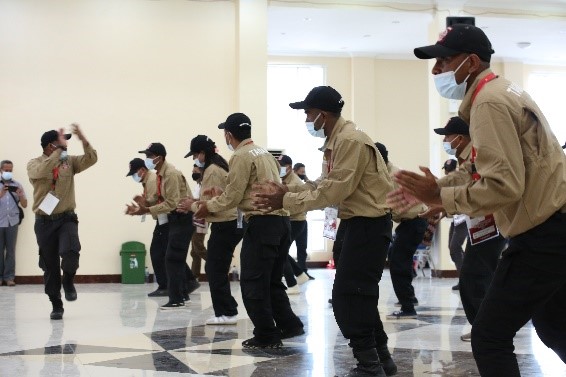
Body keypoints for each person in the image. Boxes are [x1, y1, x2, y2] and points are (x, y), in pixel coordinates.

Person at [388, 24, 566, 376]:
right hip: (554, 228)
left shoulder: (490, 102)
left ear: (470, 62)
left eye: (443, 61)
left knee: (489, 335)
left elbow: (503, 186)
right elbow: (481, 171)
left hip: (544, 234)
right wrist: (439, 189)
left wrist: (440, 196)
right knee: (555, 325)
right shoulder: (502, 92)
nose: (436, 70)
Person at [253, 86, 397, 377]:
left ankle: (370, 366)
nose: (306, 119)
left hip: (368, 226)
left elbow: (332, 192)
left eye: (307, 113)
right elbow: (322, 184)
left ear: (322, 114)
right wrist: (288, 190)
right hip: (355, 224)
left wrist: (285, 199)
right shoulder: (337, 141)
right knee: (359, 296)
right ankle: (380, 360)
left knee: (349, 297)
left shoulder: (350, 140)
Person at [192, 113, 303, 348]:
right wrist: (221, 198)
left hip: (263, 224)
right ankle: (290, 324)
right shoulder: (263, 152)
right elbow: (245, 192)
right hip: (282, 223)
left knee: (253, 283)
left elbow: (233, 197)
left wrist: (206, 206)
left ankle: (266, 335)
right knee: (272, 281)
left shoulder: (240, 156)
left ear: (229, 135)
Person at [434, 117, 507, 341]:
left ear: (460, 138)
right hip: (482, 225)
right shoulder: (469, 158)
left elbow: (478, 189)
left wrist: (435, 194)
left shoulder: (479, 153)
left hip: (492, 224)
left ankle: (486, 331)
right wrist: (436, 197)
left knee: (472, 278)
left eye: (447, 136)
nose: (445, 141)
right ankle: (489, 327)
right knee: (482, 278)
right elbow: (461, 180)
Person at [27, 125, 97, 320]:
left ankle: (68, 281)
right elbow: (42, 171)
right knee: (49, 265)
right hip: (44, 222)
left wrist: (83, 139)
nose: (65, 146)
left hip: (66, 218)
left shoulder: (69, 163)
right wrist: (59, 152)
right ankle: (56, 304)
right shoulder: (34, 164)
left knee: (71, 251)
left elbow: (91, 159)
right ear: (50, 146)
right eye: (60, 142)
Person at [126, 143, 199, 309]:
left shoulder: (170, 174)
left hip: (182, 217)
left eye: (150, 156)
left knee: (172, 258)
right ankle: (182, 295)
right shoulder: (161, 174)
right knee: (173, 258)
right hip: (175, 219)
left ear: (159, 157)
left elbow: (172, 203)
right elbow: (160, 199)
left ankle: (177, 298)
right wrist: (142, 206)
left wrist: (146, 209)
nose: (148, 160)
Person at [180, 135, 243, 325]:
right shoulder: (217, 167)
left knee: (214, 268)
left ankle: (226, 312)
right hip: (228, 222)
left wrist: (191, 206)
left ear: (203, 153)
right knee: (216, 267)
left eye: (196, 154)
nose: (194, 159)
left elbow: (209, 205)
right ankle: (227, 309)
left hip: (226, 224)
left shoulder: (213, 171)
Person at [373, 143, 427, 321]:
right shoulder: (389, 172)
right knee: (398, 258)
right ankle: (409, 298)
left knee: (398, 263)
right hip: (410, 222)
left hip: (414, 221)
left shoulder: (391, 176)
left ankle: (408, 307)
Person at [125, 157, 168, 297]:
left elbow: (155, 203)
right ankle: (188, 281)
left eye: (134, 173)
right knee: (167, 253)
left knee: (156, 252)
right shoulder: (148, 180)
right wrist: (139, 208)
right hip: (162, 219)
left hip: (165, 219)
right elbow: (151, 203)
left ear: (142, 170)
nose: (133, 176)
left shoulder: (151, 181)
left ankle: (164, 286)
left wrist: (140, 208)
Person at [278, 154, 314, 285]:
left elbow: (297, 204)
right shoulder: (283, 179)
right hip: (290, 219)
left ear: (289, 167)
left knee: (280, 250)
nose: (279, 168)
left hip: (296, 221)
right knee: (280, 250)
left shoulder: (295, 183)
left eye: (281, 166)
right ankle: (299, 275)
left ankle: (293, 281)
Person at [0, 160, 28, 287]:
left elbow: (25, 204)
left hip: (13, 222)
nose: (8, 172)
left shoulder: (17, 185)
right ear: (1, 170)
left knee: (11, 250)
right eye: (6, 170)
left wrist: (20, 195)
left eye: (10, 170)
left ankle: (9, 277)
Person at [188, 164, 207, 279]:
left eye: (195, 171)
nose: (193, 173)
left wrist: (192, 200)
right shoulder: (198, 185)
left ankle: (217, 265)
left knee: (198, 246)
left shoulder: (205, 184)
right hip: (195, 217)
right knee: (194, 251)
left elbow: (203, 200)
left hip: (201, 219)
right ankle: (194, 276)